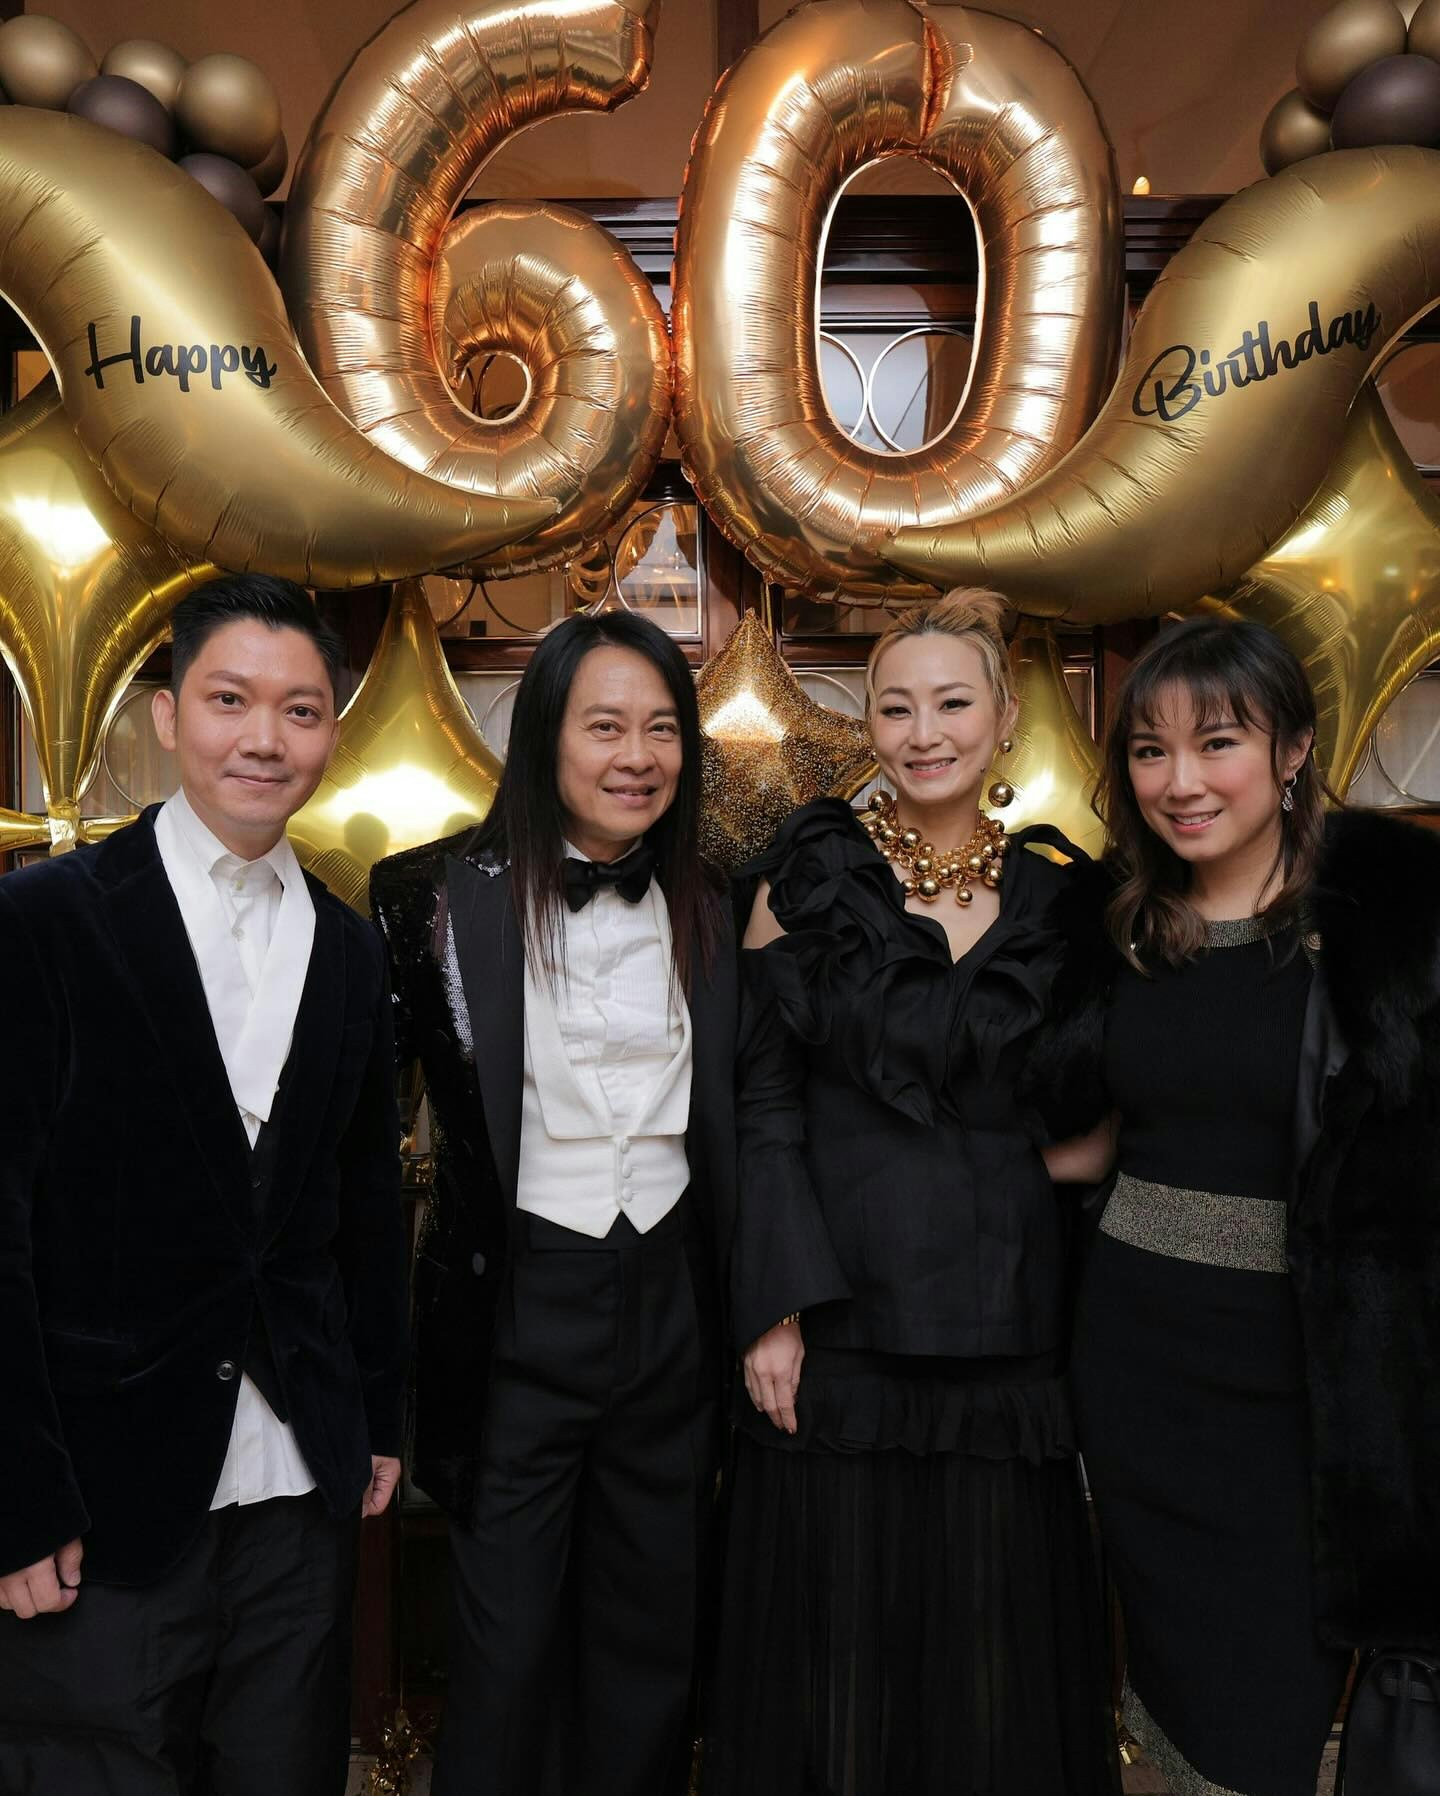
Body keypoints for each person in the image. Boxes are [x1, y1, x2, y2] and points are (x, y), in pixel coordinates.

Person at [705, 590, 1120, 1796]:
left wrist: (1037, 1167)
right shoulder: (805, 877)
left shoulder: (1066, 900)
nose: (923, 731)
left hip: (1005, 1322)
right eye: (895, 706)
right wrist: (772, 1304)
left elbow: (1113, 1099)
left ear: (1004, 716)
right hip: (838, 1326)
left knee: (991, 1653)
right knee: (837, 1651)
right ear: (868, 723)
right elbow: (764, 1102)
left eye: (951, 703)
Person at [0, 573, 409, 1795]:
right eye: (231, 699)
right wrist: (16, 1492)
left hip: (297, 1485)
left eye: (301, 709)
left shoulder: (351, 945)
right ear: (169, 714)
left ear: (330, 732)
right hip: (101, 1485)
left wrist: (380, 1417)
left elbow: (363, 1206)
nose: (265, 738)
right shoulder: (44, 918)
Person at [1034, 616, 1440, 1796]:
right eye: (1150, 750)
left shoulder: (1387, 929)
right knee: (1176, 1692)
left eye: (1217, 742)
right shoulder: (1113, 928)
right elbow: (1084, 1139)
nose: (1182, 780)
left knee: (1276, 1701)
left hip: (1313, 1386)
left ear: (1294, 749)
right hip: (1142, 1368)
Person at [370, 610, 736, 1796]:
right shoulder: (426, 896)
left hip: (671, 1304)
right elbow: (364, 1143)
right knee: (504, 1643)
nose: (638, 755)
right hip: (515, 1302)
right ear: (543, 737)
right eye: (605, 726)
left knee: (650, 1637)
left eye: (662, 728)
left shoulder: (719, 896)